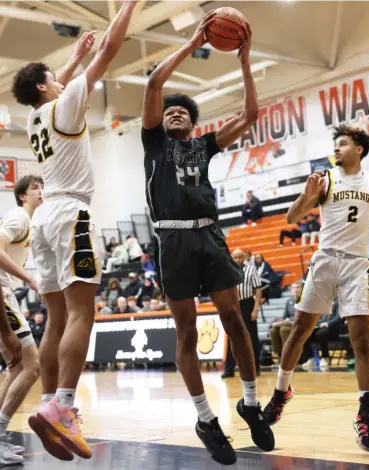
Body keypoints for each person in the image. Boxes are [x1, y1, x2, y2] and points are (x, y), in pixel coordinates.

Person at [141, 11, 274, 465]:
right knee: (186, 330)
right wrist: (194, 41)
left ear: (193, 124)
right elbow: (155, 83)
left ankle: (252, 403)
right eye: (171, 110)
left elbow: (251, 114)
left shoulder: (205, 146)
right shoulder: (155, 144)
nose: (176, 111)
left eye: (184, 111)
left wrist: (244, 58)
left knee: (235, 320)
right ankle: (205, 417)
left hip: (210, 238)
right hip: (173, 241)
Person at [12, 0, 139, 461]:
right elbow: (113, 45)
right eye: (55, 76)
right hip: (71, 213)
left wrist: (73, 58)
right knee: (84, 311)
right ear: (48, 85)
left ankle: (49, 404)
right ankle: (64, 406)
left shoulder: (34, 116)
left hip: (43, 218)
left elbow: (46, 82)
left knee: (55, 318)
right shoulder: (66, 103)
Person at [263, 124, 369, 453]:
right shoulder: (325, 180)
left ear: (359, 148)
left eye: (343, 143)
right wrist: (306, 195)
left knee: (362, 341)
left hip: (357, 266)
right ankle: (280, 393)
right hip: (325, 261)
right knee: (299, 331)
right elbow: (292, 217)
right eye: (335, 144)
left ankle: (365, 413)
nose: (336, 149)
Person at [0, 175, 43, 465]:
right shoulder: (19, 218)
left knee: (16, 365)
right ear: (21, 196)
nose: (41, 192)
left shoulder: (30, 224)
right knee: (32, 366)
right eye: (34, 188)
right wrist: (27, 277)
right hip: (2, 294)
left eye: (42, 187)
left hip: (6, 293)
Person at [222, 249, 262, 378]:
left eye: (240, 257)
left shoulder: (251, 270)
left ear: (244, 257)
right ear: (231, 258)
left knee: (251, 337)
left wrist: (255, 309)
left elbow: (258, 289)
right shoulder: (227, 271)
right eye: (235, 258)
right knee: (232, 336)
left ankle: (255, 368)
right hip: (233, 305)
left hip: (247, 304)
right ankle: (229, 368)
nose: (238, 260)